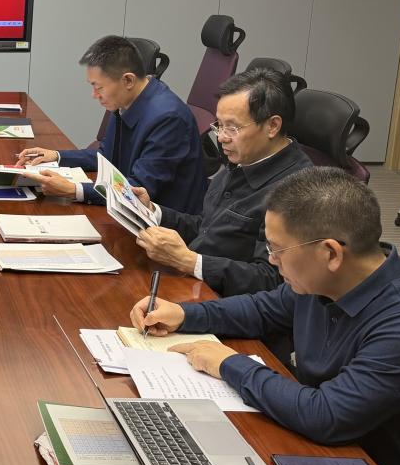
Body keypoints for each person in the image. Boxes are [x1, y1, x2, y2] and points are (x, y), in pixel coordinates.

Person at [130, 168, 400, 465]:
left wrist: (227, 362)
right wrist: (185, 314)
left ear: (330, 253)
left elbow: (326, 415)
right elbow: (263, 309)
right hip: (335, 452)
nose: (272, 261)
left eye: (277, 249)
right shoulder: (327, 280)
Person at [131, 69, 311, 297]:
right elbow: (208, 227)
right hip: (194, 284)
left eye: (232, 128)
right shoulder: (244, 159)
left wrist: (191, 261)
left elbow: (271, 280)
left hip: (226, 302)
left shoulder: (297, 191)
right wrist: (153, 211)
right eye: (219, 125)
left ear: (272, 126)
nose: (221, 137)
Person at [16, 35, 205, 213]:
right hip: (128, 211)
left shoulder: (168, 118)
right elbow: (107, 155)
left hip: (162, 225)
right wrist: (56, 156)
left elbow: (139, 189)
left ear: (128, 80)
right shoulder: (126, 101)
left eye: (99, 87)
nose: (94, 95)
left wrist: (74, 190)